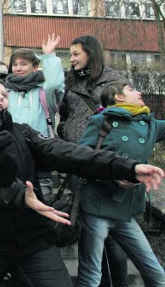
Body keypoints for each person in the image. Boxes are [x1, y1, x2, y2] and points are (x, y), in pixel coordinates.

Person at [0, 75, 163, 287]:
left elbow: (69, 153)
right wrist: (20, 195)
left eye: (4, 95)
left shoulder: (23, 132)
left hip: (34, 241)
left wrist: (127, 168)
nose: (0, 97)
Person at [75, 81, 165, 287]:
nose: (139, 91)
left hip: (125, 211)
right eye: (132, 89)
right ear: (119, 97)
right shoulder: (101, 121)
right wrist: (113, 175)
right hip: (97, 206)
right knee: (91, 276)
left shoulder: (149, 124)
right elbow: (80, 157)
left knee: (157, 274)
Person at [58, 35, 128, 287]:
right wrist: (66, 131)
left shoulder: (116, 82)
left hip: (108, 163)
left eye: (76, 53)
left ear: (91, 53)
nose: (72, 59)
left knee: (113, 235)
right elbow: (64, 112)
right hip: (79, 161)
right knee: (89, 227)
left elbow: (128, 121)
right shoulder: (70, 80)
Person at [0, 33, 64, 198]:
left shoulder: (44, 91)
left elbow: (55, 83)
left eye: (24, 64)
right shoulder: (5, 90)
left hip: (39, 153)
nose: (18, 68)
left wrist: (49, 56)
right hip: (10, 152)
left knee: (42, 200)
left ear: (35, 67)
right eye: (15, 64)